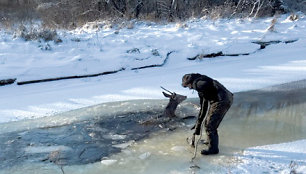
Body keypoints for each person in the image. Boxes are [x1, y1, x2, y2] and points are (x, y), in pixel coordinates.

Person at [182, 73, 233, 155]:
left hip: (221, 100)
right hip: (226, 97)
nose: (189, 88)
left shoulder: (199, 84)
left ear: (189, 83)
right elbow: (203, 107)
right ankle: (210, 141)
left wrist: (198, 126)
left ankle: (213, 149)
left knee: (210, 125)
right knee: (208, 123)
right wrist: (198, 125)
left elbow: (205, 105)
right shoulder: (200, 81)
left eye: (187, 86)